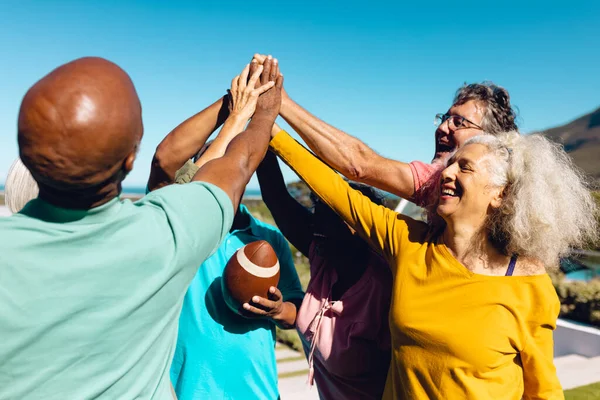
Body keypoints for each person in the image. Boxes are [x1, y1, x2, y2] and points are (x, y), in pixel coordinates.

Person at [0, 56, 282, 399]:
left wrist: (236, 110)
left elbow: (172, 160)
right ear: (129, 160)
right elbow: (237, 165)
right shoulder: (163, 236)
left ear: (25, 157)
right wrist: (263, 111)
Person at [267, 126, 598, 399]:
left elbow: (543, 392)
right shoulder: (410, 243)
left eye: (464, 167)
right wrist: (273, 133)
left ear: (499, 194)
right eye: (450, 163)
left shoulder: (529, 287)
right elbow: (340, 193)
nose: (447, 172)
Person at [154, 60, 304, 400]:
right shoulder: (179, 228)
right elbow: (166, 161)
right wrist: (235, 110)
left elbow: (297, 311)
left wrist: (280, 310)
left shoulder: (269, 238)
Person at [252, 54, 518, 206]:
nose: (442, 128)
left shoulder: (515, 194)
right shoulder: (435, 180)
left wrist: (280, 103)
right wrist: (270, 119)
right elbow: (357, 165)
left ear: (490, 140)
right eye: (444, 117)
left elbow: (360, 165)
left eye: (458, 123)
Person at [256, 129, 392, 399]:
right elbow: (277, 198)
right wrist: (261, 126)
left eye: (333, 214)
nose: (318, 220)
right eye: (318, 208)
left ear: (362, 227)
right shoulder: (324, 255)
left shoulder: (385, 289)